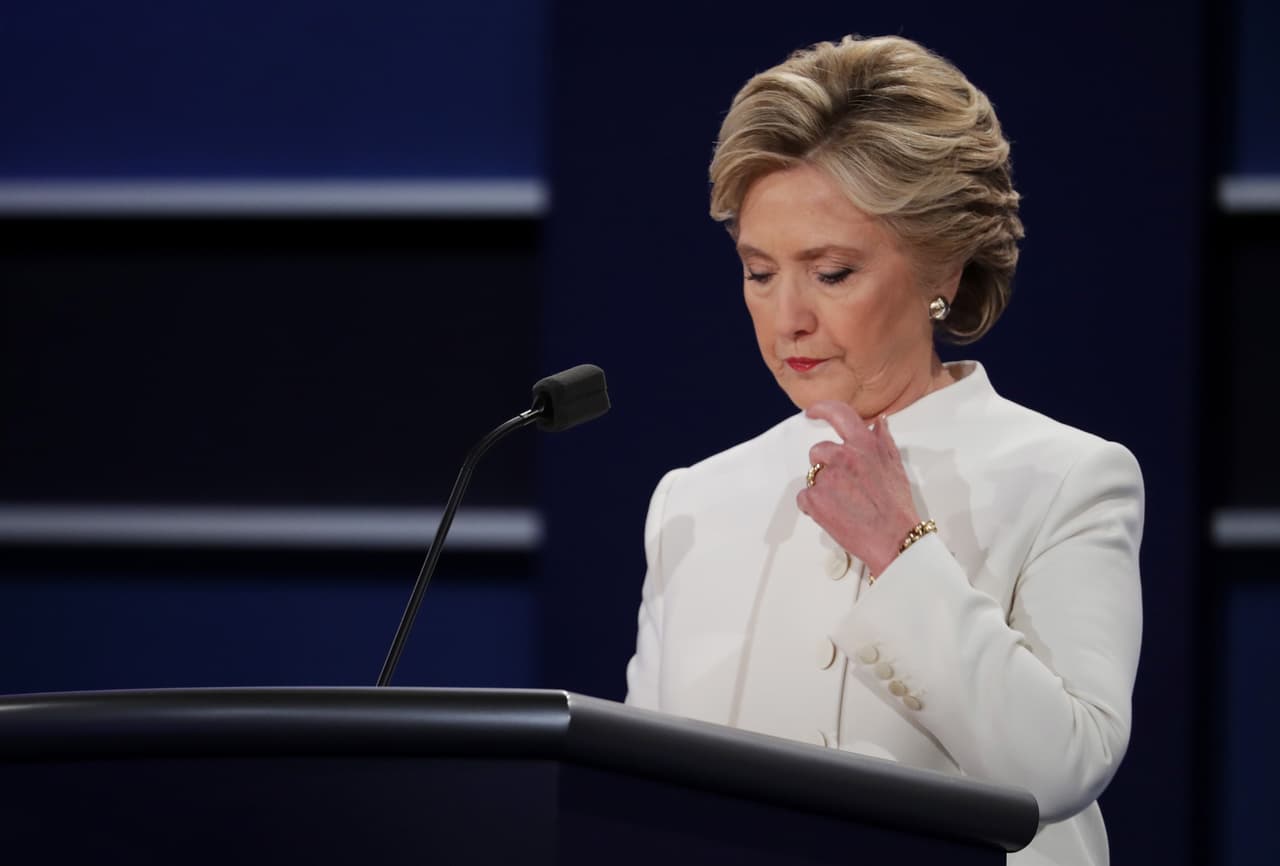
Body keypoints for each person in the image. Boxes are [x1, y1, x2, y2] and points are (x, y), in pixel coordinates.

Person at [623, 34, 1143, 866]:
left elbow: (1060, 770)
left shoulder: (1065, 478)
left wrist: (903, 555)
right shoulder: (695, 499)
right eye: (760, 273)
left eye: (830, 273)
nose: (786, 317)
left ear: (942, 265)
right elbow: (637, 797)